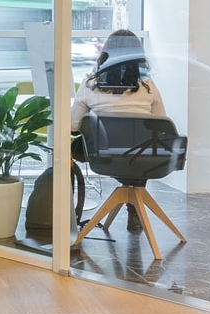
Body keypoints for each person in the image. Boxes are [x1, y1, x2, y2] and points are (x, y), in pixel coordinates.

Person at [67, 29, 167, 233]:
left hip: (100, 155)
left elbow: (73, 126)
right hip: (140, 157)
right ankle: (134, 209)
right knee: (140, 144)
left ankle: (66, 213)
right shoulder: (148, 85)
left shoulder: (90, 83)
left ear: (105, 53)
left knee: (70, 150)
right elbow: (161, 122)